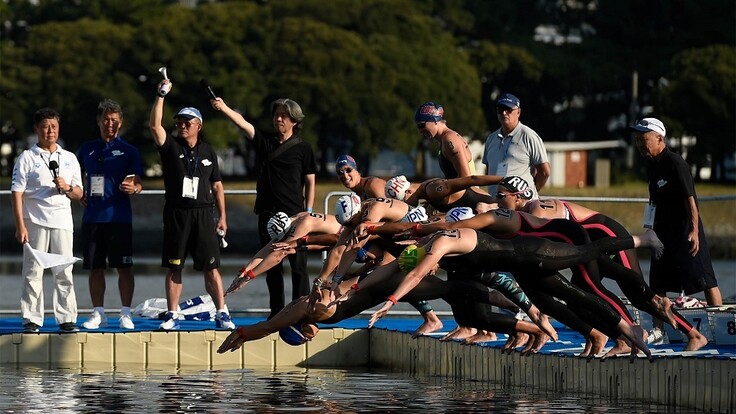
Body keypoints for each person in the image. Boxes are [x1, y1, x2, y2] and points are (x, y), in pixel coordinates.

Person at [367, 227, 665, 359]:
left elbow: (417, 272)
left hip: (533, 253)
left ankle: (644, 239)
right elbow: (394, 268)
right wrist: (354, 286)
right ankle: (627, 329)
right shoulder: (424, 244)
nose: (433, 271)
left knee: (588, 251)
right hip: (524, 269)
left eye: (429, 266)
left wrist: (391, 302)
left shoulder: (439, 245)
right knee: (572, 296)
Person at [497, 175, 709, 351]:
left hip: (605, 234)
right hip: (588, 247)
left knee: (629, 293)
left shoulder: (537, 212)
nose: (497, 202)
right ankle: (624, 336)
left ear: (517, 197)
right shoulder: (526, 214)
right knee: (581, 295)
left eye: (500, 196)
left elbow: (548, 250)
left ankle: (655, 335)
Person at [217, 259, 553, 355]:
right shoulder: (317, 305)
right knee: (465, 301)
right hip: (388, 278)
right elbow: (356, 284)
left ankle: (530, 316)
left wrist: (242, 333)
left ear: (300, 326)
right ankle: (532, 325)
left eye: (305, 337)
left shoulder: (305, 309)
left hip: (394, 280)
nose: (311, 337)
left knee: (460, 289)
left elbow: (265, 327)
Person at [212, 96, 317, 319]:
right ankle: (276, 312)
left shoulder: (304, 148)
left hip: (295, 217)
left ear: (294, 120)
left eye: (283, 116)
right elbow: (243, 124)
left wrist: (308, 210)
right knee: (272, 268)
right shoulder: (265, 142)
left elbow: (310, 180)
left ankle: (302, 311)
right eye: (276, 115)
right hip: (268, 215)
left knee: (298, 267)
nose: (278, 119)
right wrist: (224, 108)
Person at [149, 78, 234, 331]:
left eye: (187, 122)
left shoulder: (208, 151)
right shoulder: (170, 146)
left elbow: (217, 186)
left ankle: (221, 312)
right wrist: (161, 95)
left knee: (212, 268)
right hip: (177, 213)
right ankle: (172, 314)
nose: (182, 126)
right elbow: (155, 126)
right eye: (179, 122)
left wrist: (223, 217)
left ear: (199, 126)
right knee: (174, 267)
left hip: (203, 214)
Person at [630, 117, 723, 338]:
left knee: (705, 279)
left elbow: (690, 198)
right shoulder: (652, 166)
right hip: (662, 233)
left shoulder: (675, 162)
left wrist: (693, 230)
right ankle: (659, 331)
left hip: (685, 231)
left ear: (659, 138)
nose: (640, 145)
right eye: (637, 140)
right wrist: (649, 228)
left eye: (644, 139)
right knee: (658, 283)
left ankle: (720, 329)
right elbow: (653, 202)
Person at [11, 108, 83, 333]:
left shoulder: (70, 158)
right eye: (45, 126)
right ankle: (32, 319)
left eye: (53, 126)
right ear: (37, 129)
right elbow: (17, 192)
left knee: (64, 272)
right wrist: (20, 225)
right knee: (33, 272)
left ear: (58, 128)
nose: (49, 131)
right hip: (34, 221)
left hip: (62, 221)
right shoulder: (26, 158)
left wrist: (67, 187)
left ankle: (67, 319)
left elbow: (79, 193)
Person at [77, 99, 144, 330]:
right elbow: (76, 179)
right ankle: (98, 313)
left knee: (124, 267)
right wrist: (77, 193)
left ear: (121, 122)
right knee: (95, 267)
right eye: (106, 119)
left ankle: (126, 313)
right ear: (99, 121)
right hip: (92, 218)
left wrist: (133, 188)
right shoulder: (86, 149)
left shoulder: (129, 151)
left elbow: (138, 183)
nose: (110, 124)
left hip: (119, 218)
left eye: (114, 120)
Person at [482, 93, 550, 199]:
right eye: (500, 109)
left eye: (508, 109)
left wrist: (528, 193)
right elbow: (488, 170)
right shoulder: (491, 139)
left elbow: (544, 172)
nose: (504, 113)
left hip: (521, 205)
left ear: (518, 112)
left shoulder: (529, 136)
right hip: (495, 203)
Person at [415, 102, 476, 178]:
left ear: (435, 120)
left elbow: (466, 178)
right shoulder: (443, 140)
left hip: (468, 190)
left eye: (421, 125)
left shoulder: (450, 139)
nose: (420, 130)